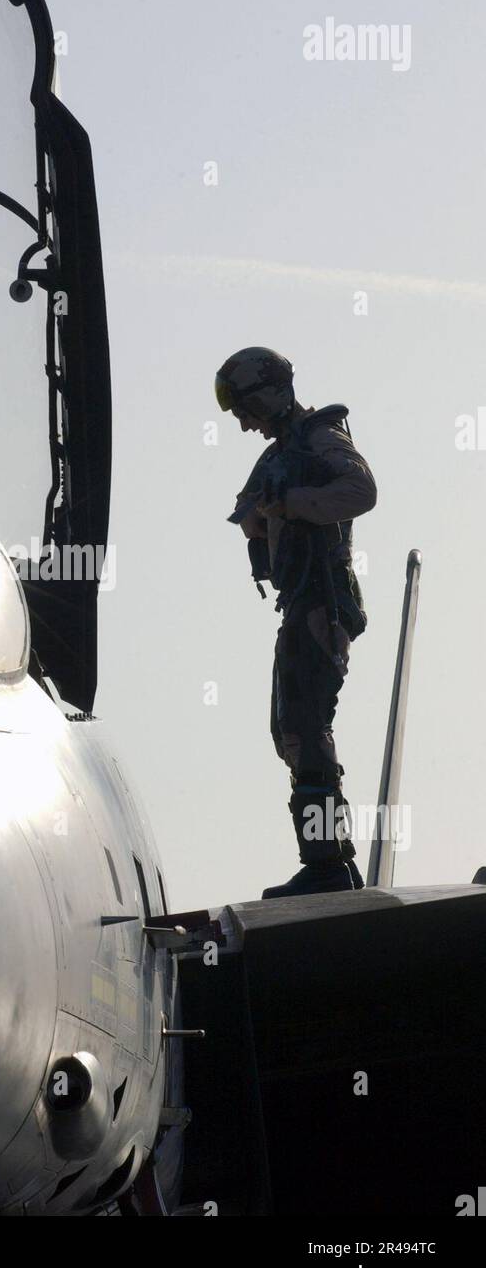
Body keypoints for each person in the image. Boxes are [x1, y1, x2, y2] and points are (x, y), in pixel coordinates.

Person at [215, 347, 377, 898]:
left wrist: (293, 503)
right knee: (290, 729)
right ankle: (334, 860)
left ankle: (327, 864)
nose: (243, 423)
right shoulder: (280, 454)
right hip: (298, 604)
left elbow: (361, 492)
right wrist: (265, 513)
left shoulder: (320, 440)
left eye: (244, 409)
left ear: (266, 394)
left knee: (306, 727)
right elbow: (249, 514)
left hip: (322, 604)